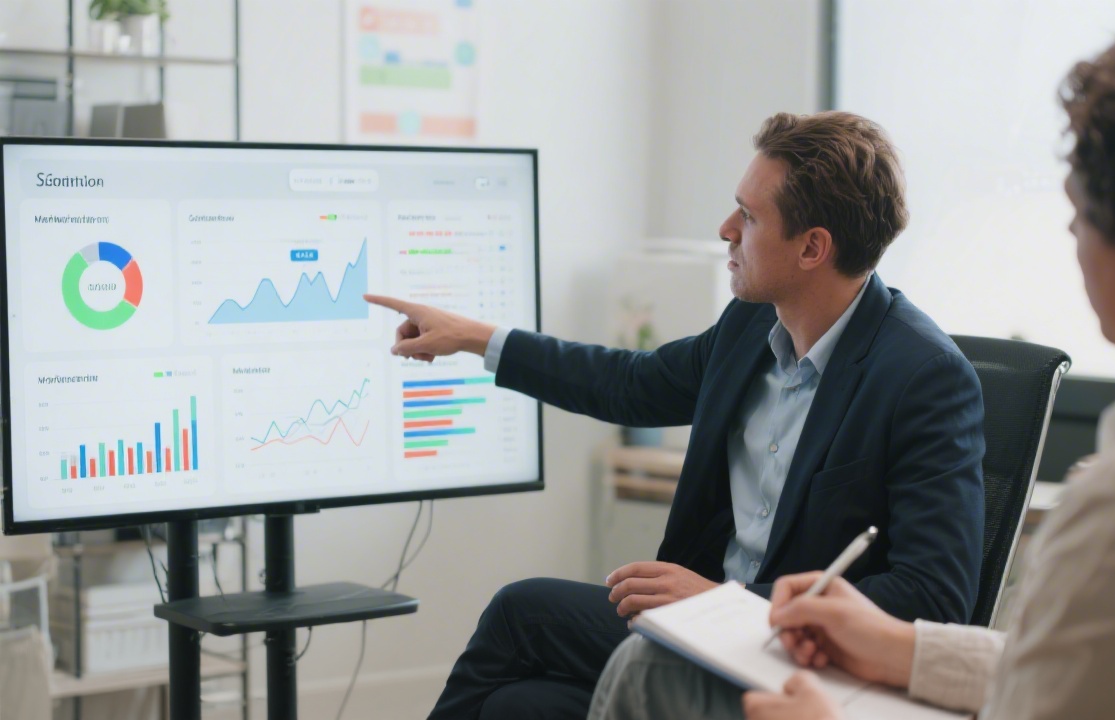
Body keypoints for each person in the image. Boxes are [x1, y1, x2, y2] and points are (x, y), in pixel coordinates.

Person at [587, 26, 1115, 720]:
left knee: (648, 671)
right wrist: (900, 647)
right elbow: (1066, 675)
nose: (1071, 235)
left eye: (1081, 213)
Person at [366, 110, 986, 720]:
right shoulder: (749, 327)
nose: (725, 229)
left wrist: (733, 603)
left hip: (797, 663)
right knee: (519, 706)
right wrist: (475, 337)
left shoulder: (923, 377)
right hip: (705, 633)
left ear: (812, 248)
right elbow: (630, 385)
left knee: (521, 613)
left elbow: (933, 600)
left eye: (747, 216)